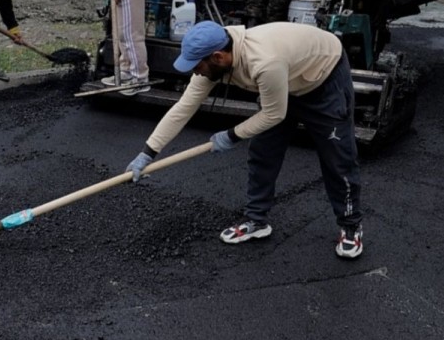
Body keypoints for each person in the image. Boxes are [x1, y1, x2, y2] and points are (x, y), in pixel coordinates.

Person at [125, 20, 363, 258]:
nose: (195, 72)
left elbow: (273, 114)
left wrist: (231, 135)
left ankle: (350, 226)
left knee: (337, 156)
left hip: (322, 77)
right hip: (284, 79)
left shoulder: (264, 61)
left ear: (217, 57)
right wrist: (148, 152)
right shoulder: (212, 62)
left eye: (196, 66)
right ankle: (257, 221)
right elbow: (183, 108)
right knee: (263, 151)